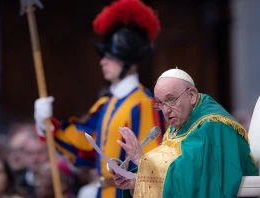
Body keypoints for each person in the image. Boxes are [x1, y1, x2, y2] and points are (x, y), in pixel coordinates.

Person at [33, 0, 165, 197]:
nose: (102, 61)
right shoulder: (107, 103)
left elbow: (152, 164)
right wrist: (48, 125)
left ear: (128, 61)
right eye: (103, 55)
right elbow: (87, 146)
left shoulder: (144, 104)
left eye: (110, 56)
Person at [112, 68, 258, 197]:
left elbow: (194, 177)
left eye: (171, 100)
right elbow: (174, 174)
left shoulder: (214, 125)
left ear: (192, 95)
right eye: (161, 103)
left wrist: (141, 160)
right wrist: (137, 180)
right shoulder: (178, 127)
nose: (166, 110)